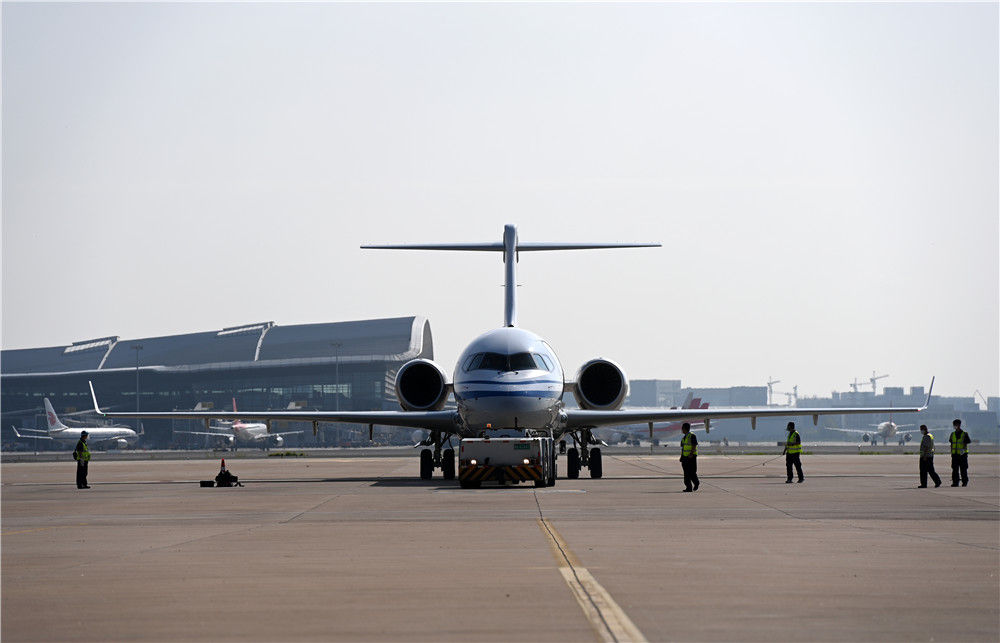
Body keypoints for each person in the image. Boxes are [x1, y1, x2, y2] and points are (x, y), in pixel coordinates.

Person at [948, 419, 971, 487]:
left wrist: (963, 449)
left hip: (962, 455)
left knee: (963, 469)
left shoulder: (964, 434)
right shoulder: (952, 434)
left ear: (959, 425)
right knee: (955, 469)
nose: (954, 426)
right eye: (954, 425)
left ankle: (964, 482)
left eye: (956, 425)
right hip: (955, 455)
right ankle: (955, 482)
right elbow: (951, 443)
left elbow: (967, 442)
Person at [679, 423, 699, 492]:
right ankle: (689, 487)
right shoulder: (684, 438)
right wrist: (681, 457)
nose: (681, 430)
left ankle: (696, 483)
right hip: (685, 458)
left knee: (692, 472)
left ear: (685, 429)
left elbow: (694, 445)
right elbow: (683, 448)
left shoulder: (692, 436)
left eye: (682, 428)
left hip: (691, 457)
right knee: (686, 473)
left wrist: (691, 454)